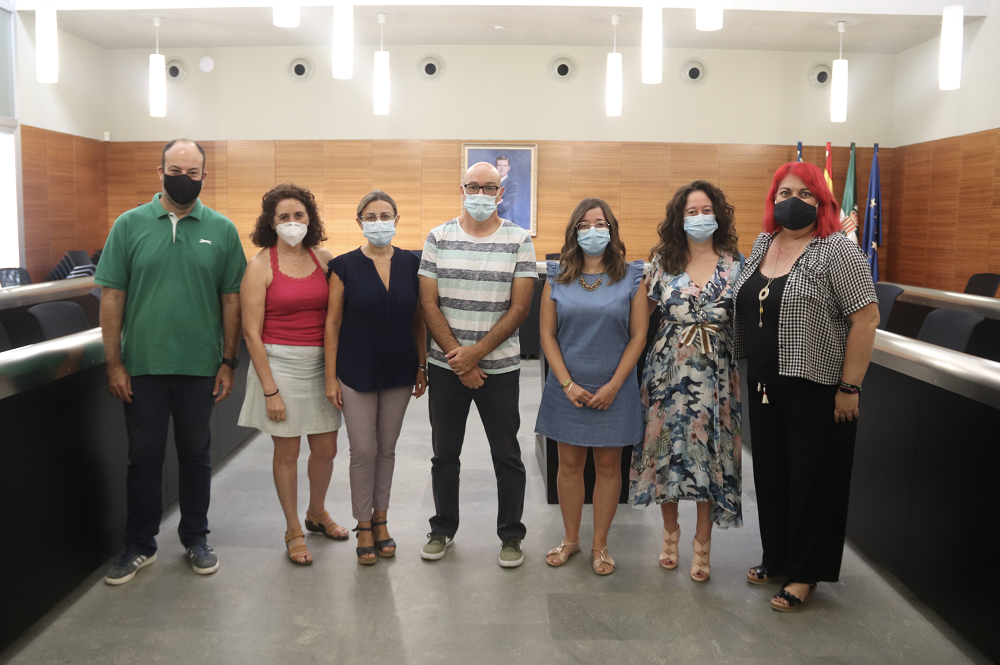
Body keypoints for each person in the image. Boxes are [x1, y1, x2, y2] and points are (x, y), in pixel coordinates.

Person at [96, 139, 246, 585]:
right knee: (143, 458)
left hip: (200, 367)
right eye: (176, 170)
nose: (184, 178)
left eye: (193, 172)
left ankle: (196, 538)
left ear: (204, 176)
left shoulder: (222, 229)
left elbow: (232, 300)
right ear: (159, 172)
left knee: (196, 456)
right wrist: (113, 364)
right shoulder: (129, 225)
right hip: (141, 366)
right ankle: (139, 545)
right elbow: (112, 297)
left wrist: (228, 361)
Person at [732, 161, 879, 611]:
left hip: (816, 388)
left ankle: (805, 573)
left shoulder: (837, 250)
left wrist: (850, 388)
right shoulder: (763, 243)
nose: (791, 201)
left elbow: (866, 318)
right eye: (784, 193)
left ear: (822, 201)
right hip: (764, 384)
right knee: (772, 476)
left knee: (813, 481)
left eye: (804, 194)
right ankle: (777, 558)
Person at [418, 161, 537, 568]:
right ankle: (442, 528)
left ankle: (511, 535)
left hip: (499, 370)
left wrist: (476, 353)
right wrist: (460, 357)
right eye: (474, 187)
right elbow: (428, 303)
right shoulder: (438, 237)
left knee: (507, 455)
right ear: (462, 189)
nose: (481, 195)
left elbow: (520, 308)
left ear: (500, 194)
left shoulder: (518, 239)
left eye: (489, 188)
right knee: (444, 455)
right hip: (446, 368)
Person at [628, 181, 745, 583]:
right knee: (668, 452)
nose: (699, 218)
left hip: (716, 375)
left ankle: (702, 545)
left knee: (709, 456)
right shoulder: (662, 263)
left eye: (706, 210)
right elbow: (639, 319)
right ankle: (670, 534)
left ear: (719, 215)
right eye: (691, 212)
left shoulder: (736, 264)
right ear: (679, 219)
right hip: (667, 373)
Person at [535, 198, 646, 575]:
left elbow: (638, 336)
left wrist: (614, 386)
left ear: (612, 230)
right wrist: (567, 384)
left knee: (609, 466)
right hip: (567, 388)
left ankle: (600, 545)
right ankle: (570, 539)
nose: (592, 231)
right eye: (584, 225)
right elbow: (547, 336)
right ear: (574, 232)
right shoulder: (557, 275)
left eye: (600, 224)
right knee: (568, 465)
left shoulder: (632, 276)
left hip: (616, 388)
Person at [238, 183, 344, 566]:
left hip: (320, 365)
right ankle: (293, 528)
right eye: (284, 216)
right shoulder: (259, 266)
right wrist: (270, 391)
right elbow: (251, 333)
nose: (292, 222)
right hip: (279, 366)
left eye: (299, 215)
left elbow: (336, 316)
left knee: (326, 449)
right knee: (289, 451)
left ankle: (317, 512)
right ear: (271, 223)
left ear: (310, 219)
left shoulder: (325, 259)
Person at [325, 190, 428, 566]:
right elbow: (332, 323)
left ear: (397, 220)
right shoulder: (343, 266)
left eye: (386, 216)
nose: (379, 222)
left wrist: (422, 366)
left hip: (400, 369)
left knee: (386, 448)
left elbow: (419, 319)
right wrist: (330, 377)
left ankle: (381, 520)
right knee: (363, 449)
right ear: (359, 222)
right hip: (355, 370)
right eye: (371, 217)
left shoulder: (413, 263)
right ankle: (363, 524)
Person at [495, 155, 519, 224]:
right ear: (495, 167)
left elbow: (504, 207)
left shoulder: (513, 185)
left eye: (504, 166)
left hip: (506, 223)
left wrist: (490, 201)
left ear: (508, 168)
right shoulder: (490, 184)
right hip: (491, 223)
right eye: (499, 165)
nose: (502, 168)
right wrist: (499, 201)